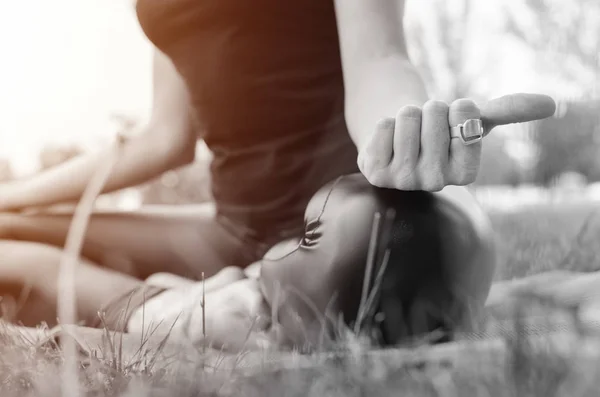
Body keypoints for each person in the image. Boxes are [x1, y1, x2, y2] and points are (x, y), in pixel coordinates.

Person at [0, 0, 555, 347]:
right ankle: (177, 306)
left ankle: (175, 309)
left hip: (335, 228)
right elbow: (162, 138)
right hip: (230, 224)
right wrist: (13, 197)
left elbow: (381, 62)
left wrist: (401, 133)